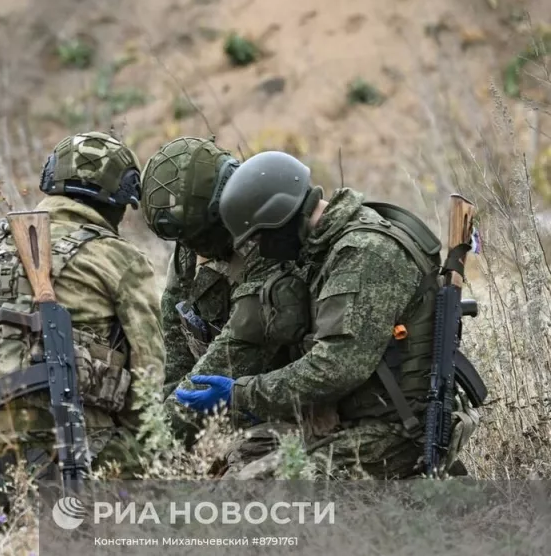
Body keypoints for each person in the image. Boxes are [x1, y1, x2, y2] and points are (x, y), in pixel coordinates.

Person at [169, 150, 481, 479]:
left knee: (260, 490)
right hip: (346, 418)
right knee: (234, 460)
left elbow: (337, 368)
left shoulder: (365, 253)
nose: (260, 249)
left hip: (396, 432)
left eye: (260, 237)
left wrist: (241, 394)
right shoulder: (324, 248)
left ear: (280, 219)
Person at [0, 130, 165, 531]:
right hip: (71, 443)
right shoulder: (119, 259)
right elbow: (152, 381)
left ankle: (2, 503)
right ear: (121, 197)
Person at [139, 136, 284, 448]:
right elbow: (176, 343)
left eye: (200, 236)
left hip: (287, 411)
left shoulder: (269, 243)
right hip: (232, 411)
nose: (195, 248)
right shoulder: (190, 246)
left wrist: (155, 447)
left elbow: (236, 349)